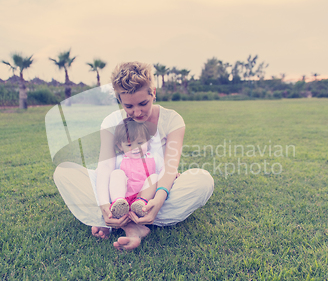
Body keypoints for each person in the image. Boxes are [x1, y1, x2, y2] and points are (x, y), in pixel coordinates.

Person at [53, 61, 214, 251]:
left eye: (143, 103)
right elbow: (105, 167)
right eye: (129, 106)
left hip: (155, 193)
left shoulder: (172, 120)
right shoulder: (111, 121)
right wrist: (105, 203)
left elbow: (170, 168)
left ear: (153, 92)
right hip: (117, 192)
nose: (137, 112)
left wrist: (159, 199)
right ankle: (127, 223)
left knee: (203, 180)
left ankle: (126, 220)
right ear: (119, 99)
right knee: (64, 172)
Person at [109, 117, 163, 219]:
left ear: (148, 141)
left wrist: (174, 174)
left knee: (155, 177)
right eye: (129, 145)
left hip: (144, 197)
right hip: (125, 196)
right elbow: (110, 177)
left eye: (140, 143)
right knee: (116, 173)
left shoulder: (154, 157)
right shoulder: (120, 159)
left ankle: (141, 204)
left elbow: (165, 170)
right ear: (120, 146)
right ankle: (118, 203)